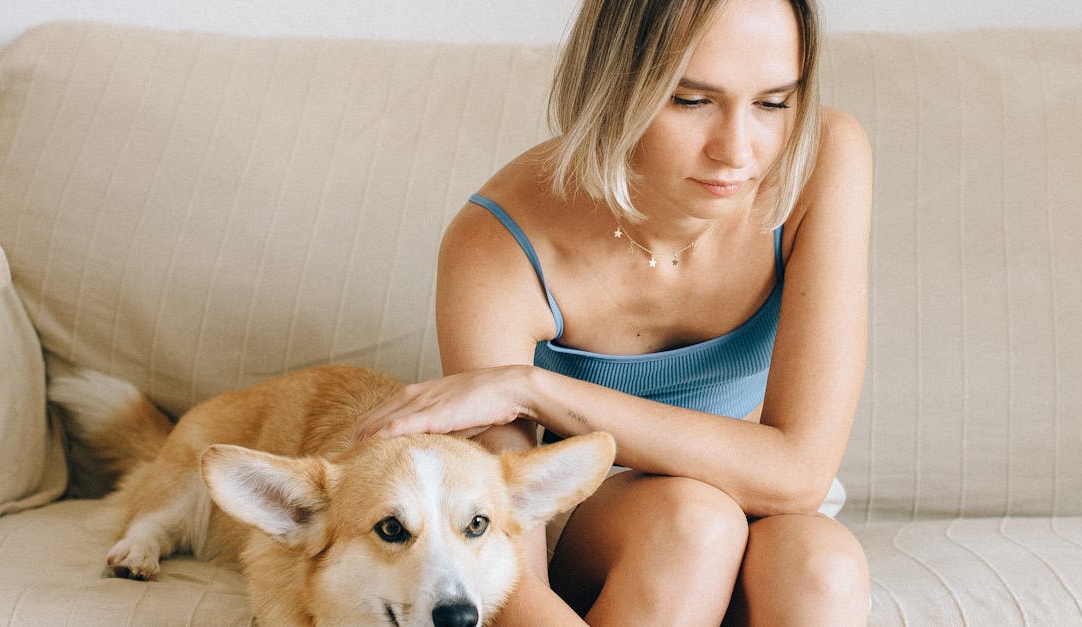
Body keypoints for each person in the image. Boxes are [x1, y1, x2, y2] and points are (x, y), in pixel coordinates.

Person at [354, 0, 873, 624]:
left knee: (824, 568)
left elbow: (798, 475)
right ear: (614, 84)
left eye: (773, 102)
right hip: (588, 514)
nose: (738, 151)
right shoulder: (497, 245)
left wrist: (533, 389)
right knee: (694, 525)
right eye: (690, 99)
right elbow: (510, 570)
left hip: (756, 489)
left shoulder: (823, 158)